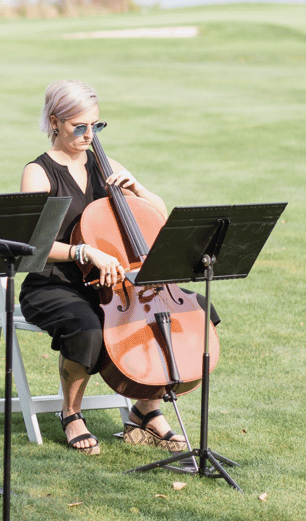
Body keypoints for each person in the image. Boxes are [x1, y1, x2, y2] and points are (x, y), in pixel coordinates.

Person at [19, 79, 193, 455]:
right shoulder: (39, 173)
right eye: (78, 127)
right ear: (54, 121)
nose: (88, 135)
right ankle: (71, 413)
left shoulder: (106, 164)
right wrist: (84, 253)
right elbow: (32, 244)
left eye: (95, 126)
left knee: (185, 315)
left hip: (114, 282)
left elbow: (159, 215)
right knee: (88, 327)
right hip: (55, 282)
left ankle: (146, 411)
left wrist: (140, 190)